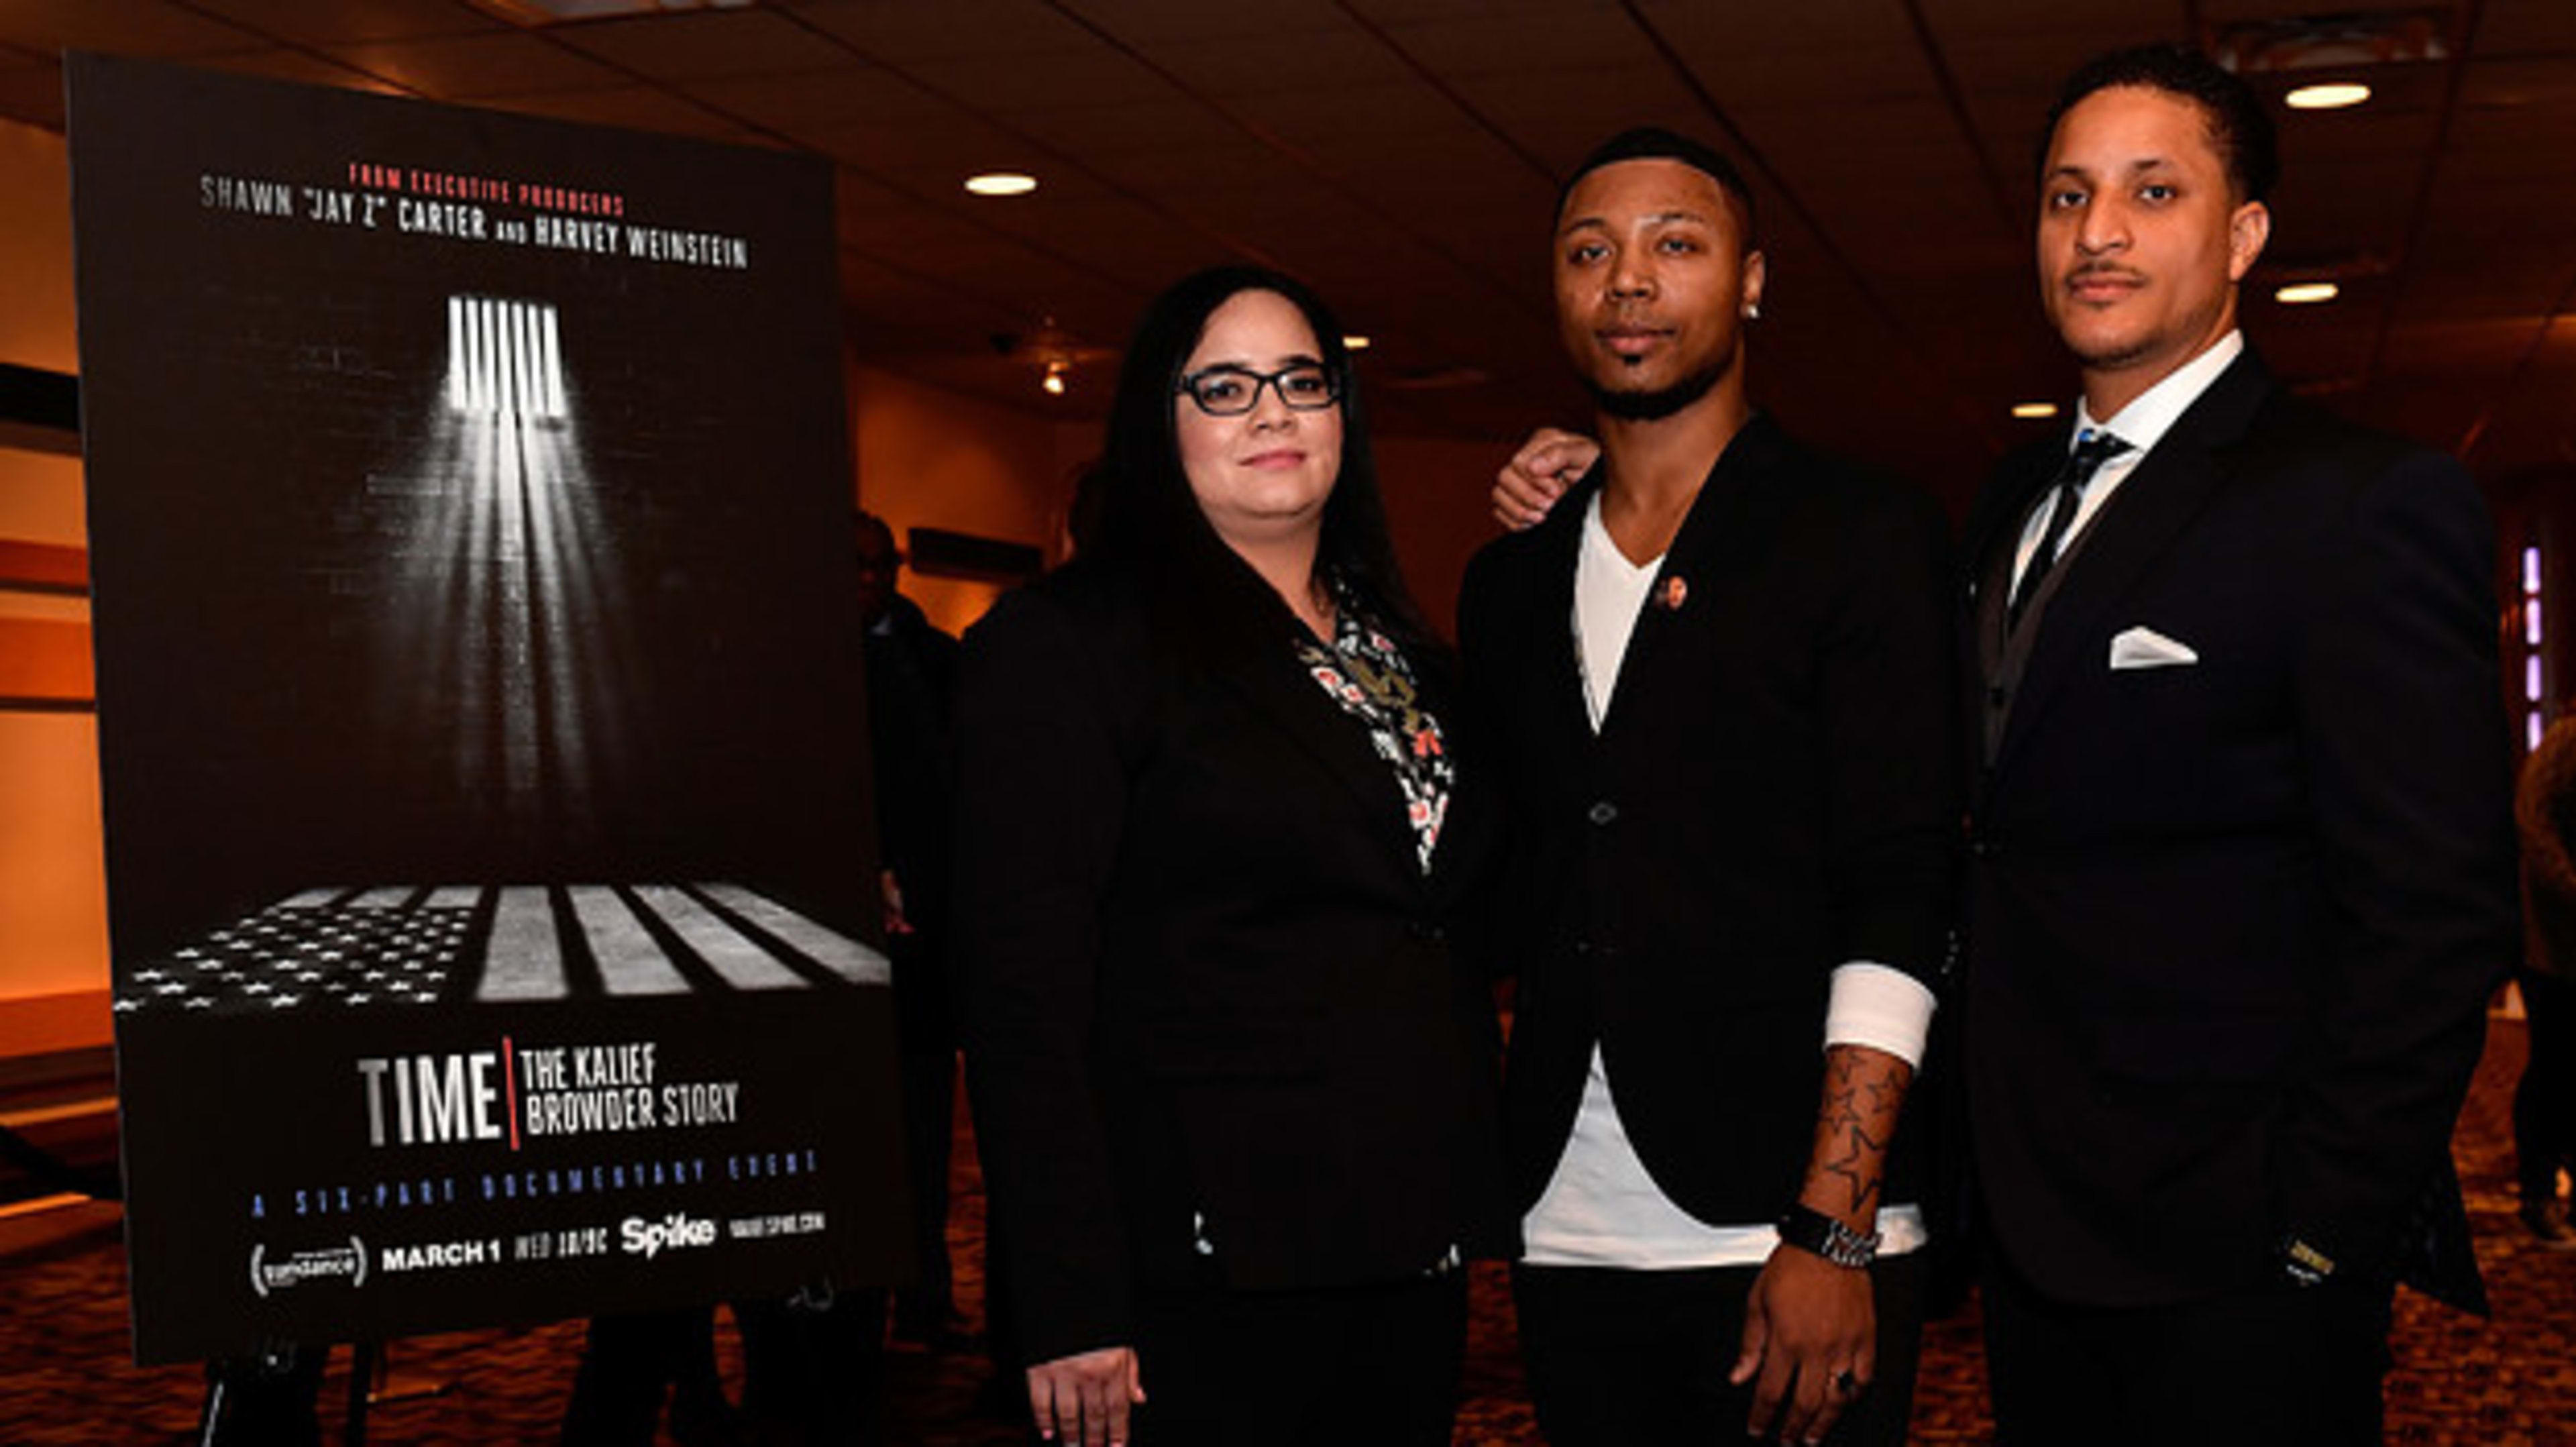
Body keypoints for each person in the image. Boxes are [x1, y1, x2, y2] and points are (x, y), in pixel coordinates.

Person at [1494, 48, 2516, 1443]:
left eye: (2154, 192)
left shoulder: (2356, 502)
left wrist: (2320, 1232)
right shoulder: (2006, 508)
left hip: (2240, 1243)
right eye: (2066, 196)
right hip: (2038, 1231)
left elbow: (2437, 912)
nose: (2098, 233)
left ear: (2246, 235)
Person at [953, 266, 1511, 1447]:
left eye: (1303, 380)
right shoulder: (1072, 646)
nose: (1273, 411)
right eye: (1226, 386)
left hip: (1406, 1240)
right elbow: (1023, 999)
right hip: (1196, 1265)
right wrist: (1065, 1300)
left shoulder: (1401, 650)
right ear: (1162, 421)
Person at [1460, 128, 1957, 1446]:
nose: (1629, 281)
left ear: (1750, 281)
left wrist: (1834, 1224)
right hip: (1568, 1223)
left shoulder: (1860, 533)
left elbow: (1901, 889)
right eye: (1590, 251)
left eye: (1674, 244)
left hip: (1795, 1220)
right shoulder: (1509, 580)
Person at [851, 508, 973, 1348]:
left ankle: (923, 1297)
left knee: (923, 1143)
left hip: (924, 949)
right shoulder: (791, 667)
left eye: (873, 563)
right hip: (831, 953)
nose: (862, 578)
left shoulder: (937, 664)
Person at [2516, 712, 2576, 1242]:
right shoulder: (2566, 743)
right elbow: (2534, 827)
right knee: (2553, 1067)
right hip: (2554, 941)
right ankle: (2537, 1191)